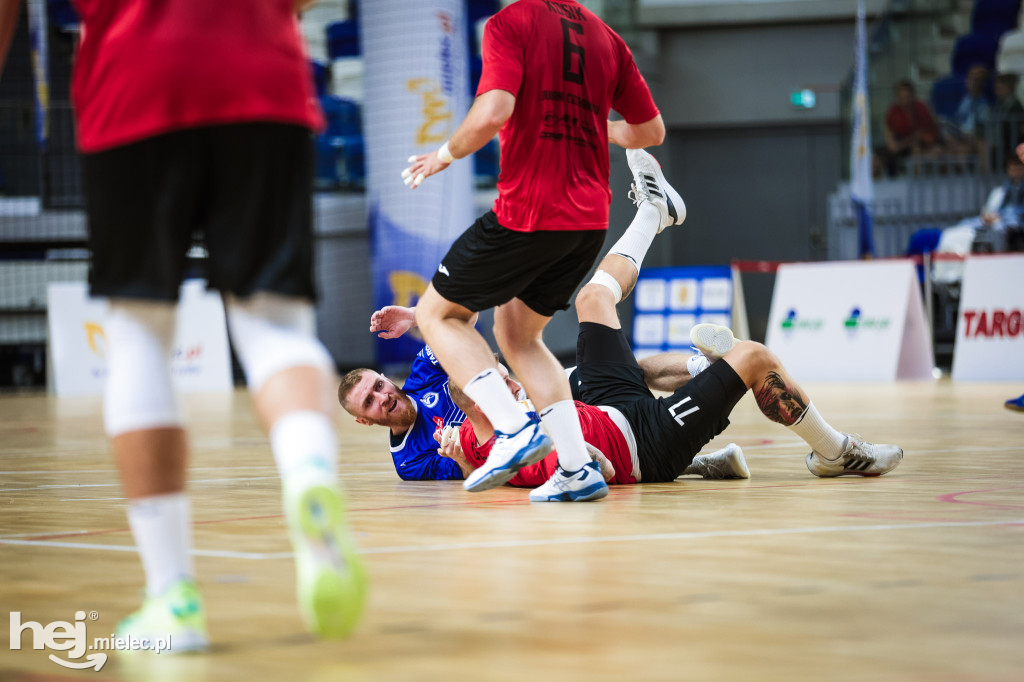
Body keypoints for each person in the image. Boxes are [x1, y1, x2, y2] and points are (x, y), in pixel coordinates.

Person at [0, 1, 366, 649]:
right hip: (263, 78)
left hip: (133, 82)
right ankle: (309, 473)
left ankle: (173, 598)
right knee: (276, 326)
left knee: (139, 334)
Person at [375, 151, 904, 496]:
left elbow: (469, 342)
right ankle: (837, 452)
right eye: (373, 403)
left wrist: (423, 318)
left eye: (379, 389)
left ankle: (653, 213)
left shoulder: (478, 398)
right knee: (755, 357)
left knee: (592, 301)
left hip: (594, 403)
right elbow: (590, 469)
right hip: (643, 444)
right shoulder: (465, 446)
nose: (503, 380)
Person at [399, 0, 674, 502]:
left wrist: (443, 154)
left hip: (529, 210)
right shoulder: (607, 38)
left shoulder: (511, 22)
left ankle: (512, 428)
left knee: (439, 314)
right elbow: (650, 132)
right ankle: (575, 468)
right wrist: (600, 129)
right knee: (519, 336)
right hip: (588, 220)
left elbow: (494, 110)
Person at [878, 80, 939, 176]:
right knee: (877, 157)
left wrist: (908, 142)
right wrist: (893, 145)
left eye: (907, 97)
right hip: (900, 145)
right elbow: (889, 134)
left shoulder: (922, 108)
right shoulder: (893, 111)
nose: (904, 100)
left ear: (912, 96)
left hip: (919, 145)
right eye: (901, 97)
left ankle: (916, 184)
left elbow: (926, 134)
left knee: (916, 150)